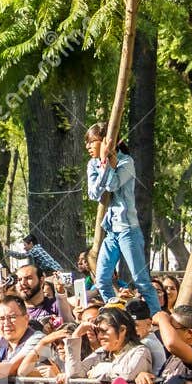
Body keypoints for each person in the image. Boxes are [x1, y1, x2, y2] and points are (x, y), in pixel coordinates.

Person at [84, 125, 159, 313]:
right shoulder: (92, 164)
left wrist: (106, 161)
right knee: (101, 280)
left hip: (127, 229)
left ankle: (156, 317)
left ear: (107, 141)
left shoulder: (127, 162)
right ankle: (117, 311)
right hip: (110, 231)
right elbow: (93, 193)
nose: (88, 146)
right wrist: (103, 163)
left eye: (92, 141)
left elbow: (112, 184)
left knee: (141, 281)